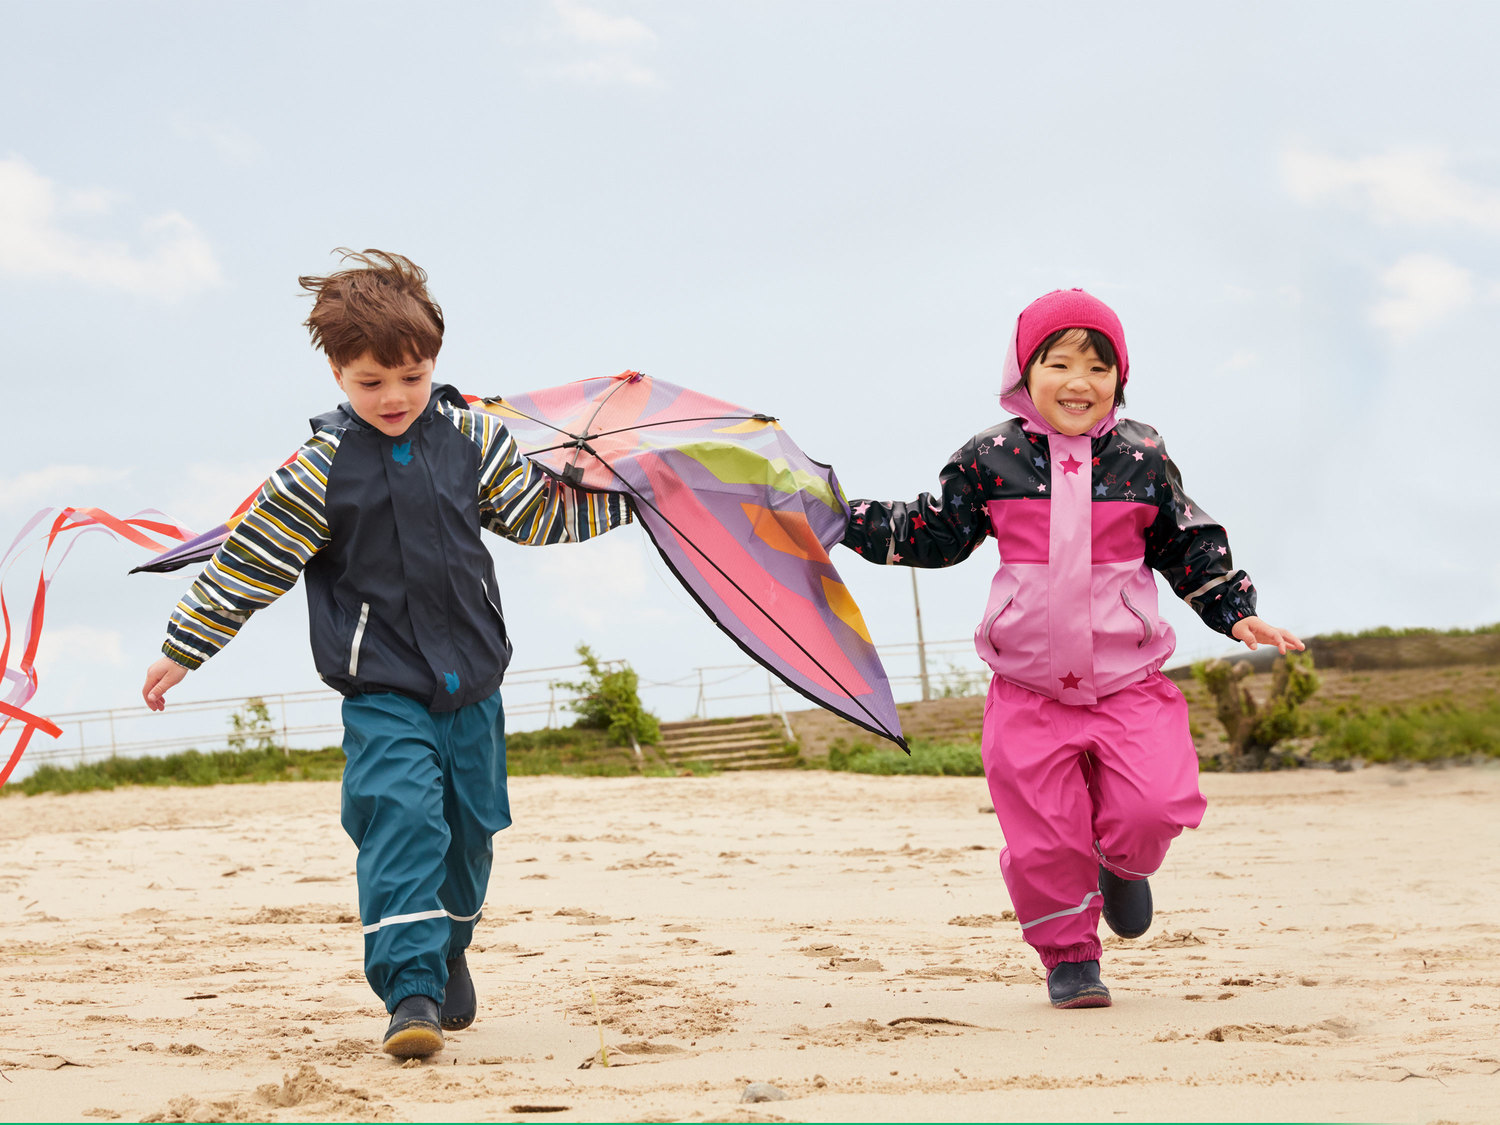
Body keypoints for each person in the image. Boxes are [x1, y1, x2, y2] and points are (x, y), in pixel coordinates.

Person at [139, 249, 632, 1055]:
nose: (394, 396)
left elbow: (539, 516)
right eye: (371, 382)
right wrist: (184, 646)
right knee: (401, 822)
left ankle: (449, 947)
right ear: (337, 373)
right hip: (384, 691)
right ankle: (410, 993)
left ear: (433, 358)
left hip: (473, 686)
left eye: (409, 374)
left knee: (470, 838)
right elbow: (251, 561)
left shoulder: (475, 440)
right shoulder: (316, 473)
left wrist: (632, 504)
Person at [840, 288, 1302, 1009]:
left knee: (1151, 809)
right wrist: (837, 516)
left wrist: (1236, 612)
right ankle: (1071, 958)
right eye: (1058, 363)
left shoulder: (1142, 457)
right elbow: (930, 532)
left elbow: (1188, 544)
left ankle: (1123, 865)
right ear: (1025, 373)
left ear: (1121, 377)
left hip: (1128, 684)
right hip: (1028, 694)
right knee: (1048, 841)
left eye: (1099, 365)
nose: (1079, 381)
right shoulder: (990, 458)